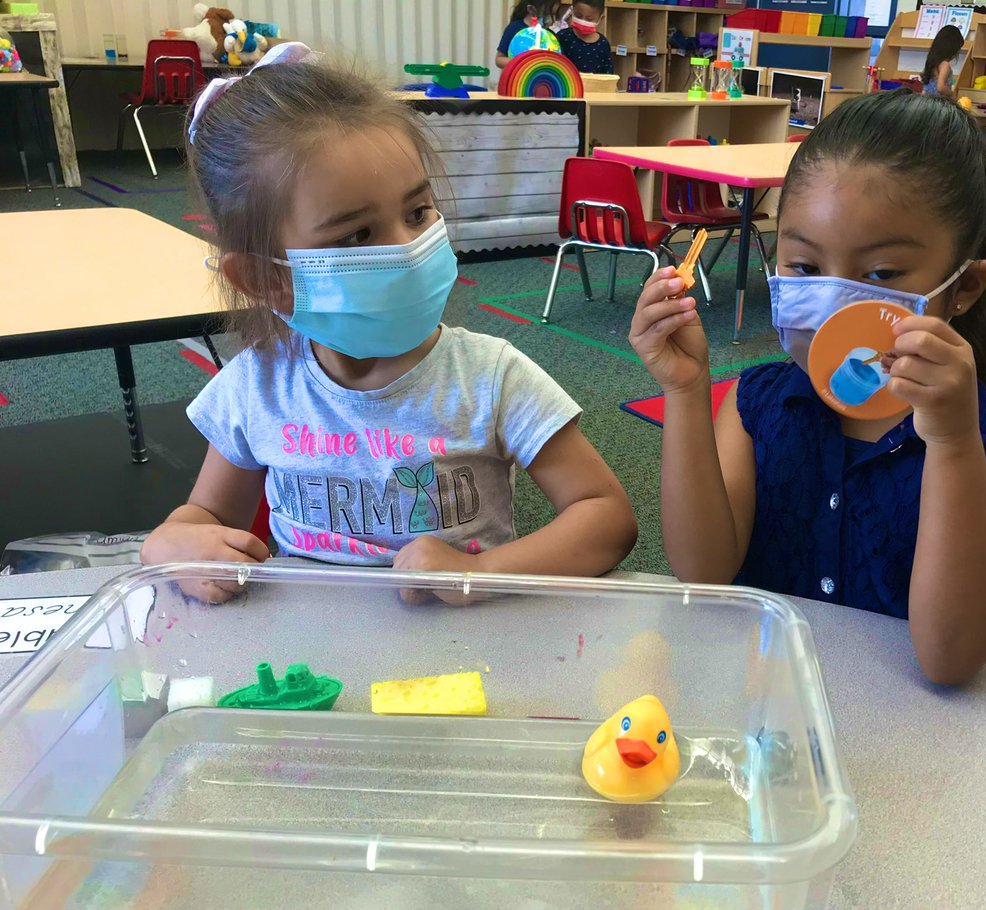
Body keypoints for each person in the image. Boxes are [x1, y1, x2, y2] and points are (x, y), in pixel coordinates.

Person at [141, 44, 637, 599]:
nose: (408, 249)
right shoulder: (257, 387)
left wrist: (479, 574)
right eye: (356, 235)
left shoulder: (490, 377)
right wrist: (166, 545)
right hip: (314, 662)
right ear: (266, 280)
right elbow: (204, 517)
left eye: (417, 213)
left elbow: (607, 518)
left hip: (465, 651)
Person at [629, 90, 986, 685]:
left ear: (964, 289)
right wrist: (686, 390)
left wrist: (954, 444)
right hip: (760, 712)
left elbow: (951, 660)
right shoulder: (758, 406)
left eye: (880, 274)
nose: (833, 302)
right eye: (803, 268)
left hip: (907, 744)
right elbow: (703, 572)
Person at [556, 0, 614, 76]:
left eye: (589, 19)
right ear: (572, 12)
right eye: (578, 16)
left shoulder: (603, 44)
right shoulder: (562, 37)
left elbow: (608, 75)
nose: (582, 22)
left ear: (600, 19)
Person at [496, 2, 558, 70]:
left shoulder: (551, 36)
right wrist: (524, 63)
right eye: (546, 14)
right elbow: (499, 59)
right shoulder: (514, 28)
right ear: (531, 9)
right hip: (518, 79)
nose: (551, 18)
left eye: (554, 14)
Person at [921, 25, 963, 97]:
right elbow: (940, 87)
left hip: (927, 101)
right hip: (939, 104)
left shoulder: (932, 62)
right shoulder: (945, 65)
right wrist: (953, 95)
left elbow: (925, 89)